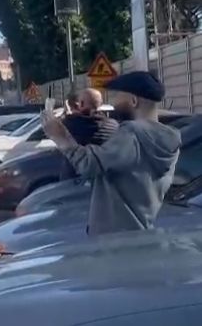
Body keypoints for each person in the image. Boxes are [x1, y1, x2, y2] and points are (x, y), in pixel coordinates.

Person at [42, 71, 181, 236]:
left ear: (134, 101)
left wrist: (60, 137)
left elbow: (90, 164)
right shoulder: (167, 139)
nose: (113, 103)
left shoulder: (133, 135)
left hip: (114, 237)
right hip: (140, 231)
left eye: (118, 97)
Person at [57, 88, 120, 180]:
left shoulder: (72, 123)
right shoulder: (113, 125)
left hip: (75, 180)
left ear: (81, 104)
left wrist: (68, 113)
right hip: (105, 181)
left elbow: (55, 128)